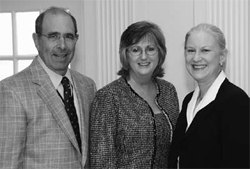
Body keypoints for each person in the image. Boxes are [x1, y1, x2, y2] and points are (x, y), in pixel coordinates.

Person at [0, 6, 96, 169]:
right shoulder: (12, 90)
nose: (62, 45)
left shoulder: (87, 86)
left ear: (76, 39)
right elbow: (8, 163)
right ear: (36, 40)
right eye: (53, 36)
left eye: (68, 36)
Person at [89, 21, 179, 168]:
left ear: (160, 53)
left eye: (150, 49)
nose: (144, 57)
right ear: (126, 54)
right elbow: (102, 161)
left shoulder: (169, 91)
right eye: (136, 50)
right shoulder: (108, 97)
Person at [168, 23, 249, 168]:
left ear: (222, 56)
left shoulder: (236, 102)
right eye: (191, 50)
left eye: (205, 50)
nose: (196, 58)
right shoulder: (188, 101)